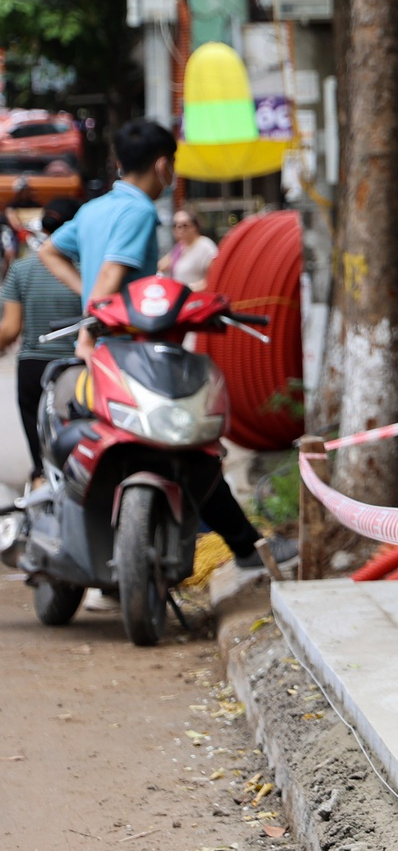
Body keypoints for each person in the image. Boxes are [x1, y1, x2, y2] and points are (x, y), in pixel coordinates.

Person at [39, 119, 271, 572]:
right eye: (174, 166)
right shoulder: (141, 211)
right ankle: (246, 547)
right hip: (132, 351)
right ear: (163, 165)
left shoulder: (93, 209)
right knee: (182, 443)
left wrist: (88, 305)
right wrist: (92, 323)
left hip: (104, 350)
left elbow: (49, 251)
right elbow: (110, 276)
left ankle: (237, 546)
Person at [0, 196, 80, 469]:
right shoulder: (91, 270)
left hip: (33, 367)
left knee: (39, 442)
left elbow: (10, 330)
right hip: (76, 367)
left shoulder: (21, 270)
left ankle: (38, 474)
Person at [160, 210, 217, 288]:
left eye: (184, 225)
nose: (179, 229)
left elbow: (214, 278)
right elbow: (161, 266)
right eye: (175, 225)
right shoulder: (179, 247)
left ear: (194, 226)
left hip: (196, 297)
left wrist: (190, 288)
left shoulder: (206, 246)